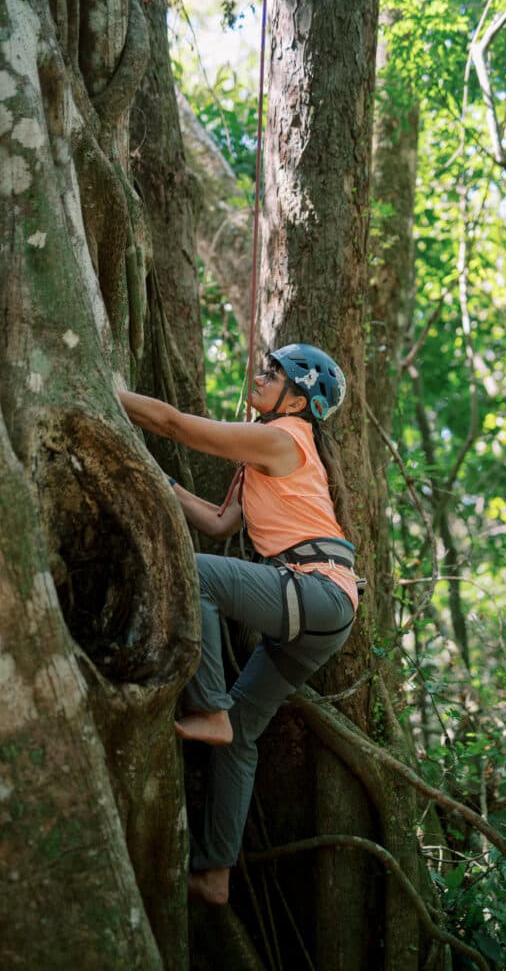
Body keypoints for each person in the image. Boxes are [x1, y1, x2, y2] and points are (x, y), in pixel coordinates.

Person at [118, 343, 360, 905]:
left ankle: (208, 707)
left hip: (315, 589)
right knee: (240, 739)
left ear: (297, 398)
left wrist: (105, 393)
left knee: (192, 575)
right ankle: (215, 872)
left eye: (272, 373)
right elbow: (221, 523)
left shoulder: (282, 439)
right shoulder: (263, 455)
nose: (259, 375)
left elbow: (176, 425)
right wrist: (155, 479)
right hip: (325, 611)